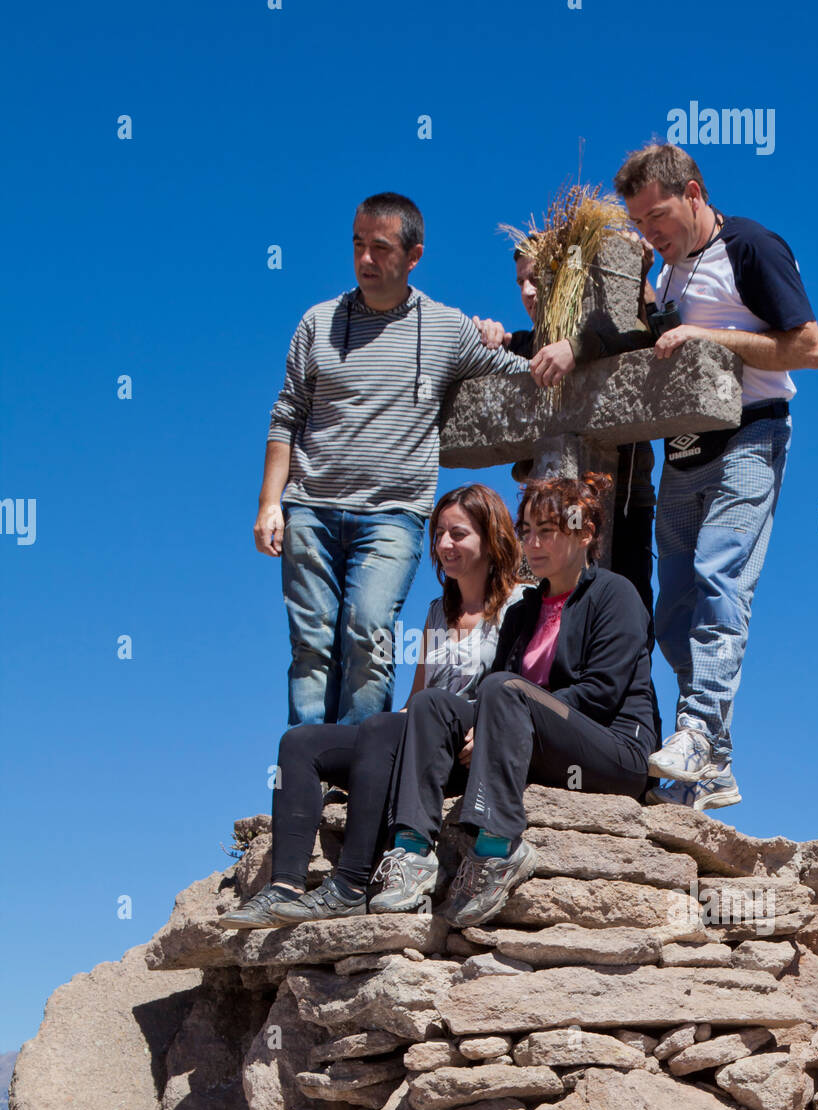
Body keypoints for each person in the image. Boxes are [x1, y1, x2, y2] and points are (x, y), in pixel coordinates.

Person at [254, 192, 530, 729]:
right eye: (358, 245)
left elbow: (519, 371)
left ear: (413, 255)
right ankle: (309, 773)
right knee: (311, 644)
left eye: (380, 248)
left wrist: (507, 336)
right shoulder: (317, 322)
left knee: (370, 634)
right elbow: (285, 414)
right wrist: (270, 504)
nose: (365, 260)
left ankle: (357, 775)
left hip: (392, 515)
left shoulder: (446, 328)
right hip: (309, 508)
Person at [612, 144, 818, 810]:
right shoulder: (669, 271)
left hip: (751, 433)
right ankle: (718, 761)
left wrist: (717, 341)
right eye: (639, 223)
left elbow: (809, 349)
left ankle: (698, 731)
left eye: (658, 217)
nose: (650, 233)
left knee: (717, 574)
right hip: (683, 448)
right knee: (672, 608)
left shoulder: (752, 246)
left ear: (694, 192)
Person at [222, 485, 524, 927]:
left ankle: (351, 885)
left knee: (383, 731)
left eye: (458, 534)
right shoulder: (440, 610)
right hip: (418, 732)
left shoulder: (518, 603)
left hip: (463, 748)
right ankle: (283, 886)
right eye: (438, 533)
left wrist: (489, 730)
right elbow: (417, 696)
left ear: (491, 537)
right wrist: (385, 725)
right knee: (301, 742)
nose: (443, 545)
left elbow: (521, 687)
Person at [369, 473, 657, 928]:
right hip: (539, 742)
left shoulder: (614, 594)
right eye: (526, 531)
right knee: (431, 705)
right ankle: (411, 851)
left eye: (547, 531)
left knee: (505, 689)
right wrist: (482, 726)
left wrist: (500, 721)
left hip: (612, 750)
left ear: (584, 534)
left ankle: (495, 849)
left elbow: (600, 694)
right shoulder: (523, 610)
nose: (533, 543)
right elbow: (495, 697)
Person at [474, 237, 658, 616]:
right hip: (546, 507)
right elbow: (476, 363)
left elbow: (645, 335)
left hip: (623, 498)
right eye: (520, 282)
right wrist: (484, 336)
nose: (527, 291)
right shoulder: (522, 347)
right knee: (543, 617)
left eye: (538, 280)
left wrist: (637, 279)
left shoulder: (612, 335)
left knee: (629, 617)